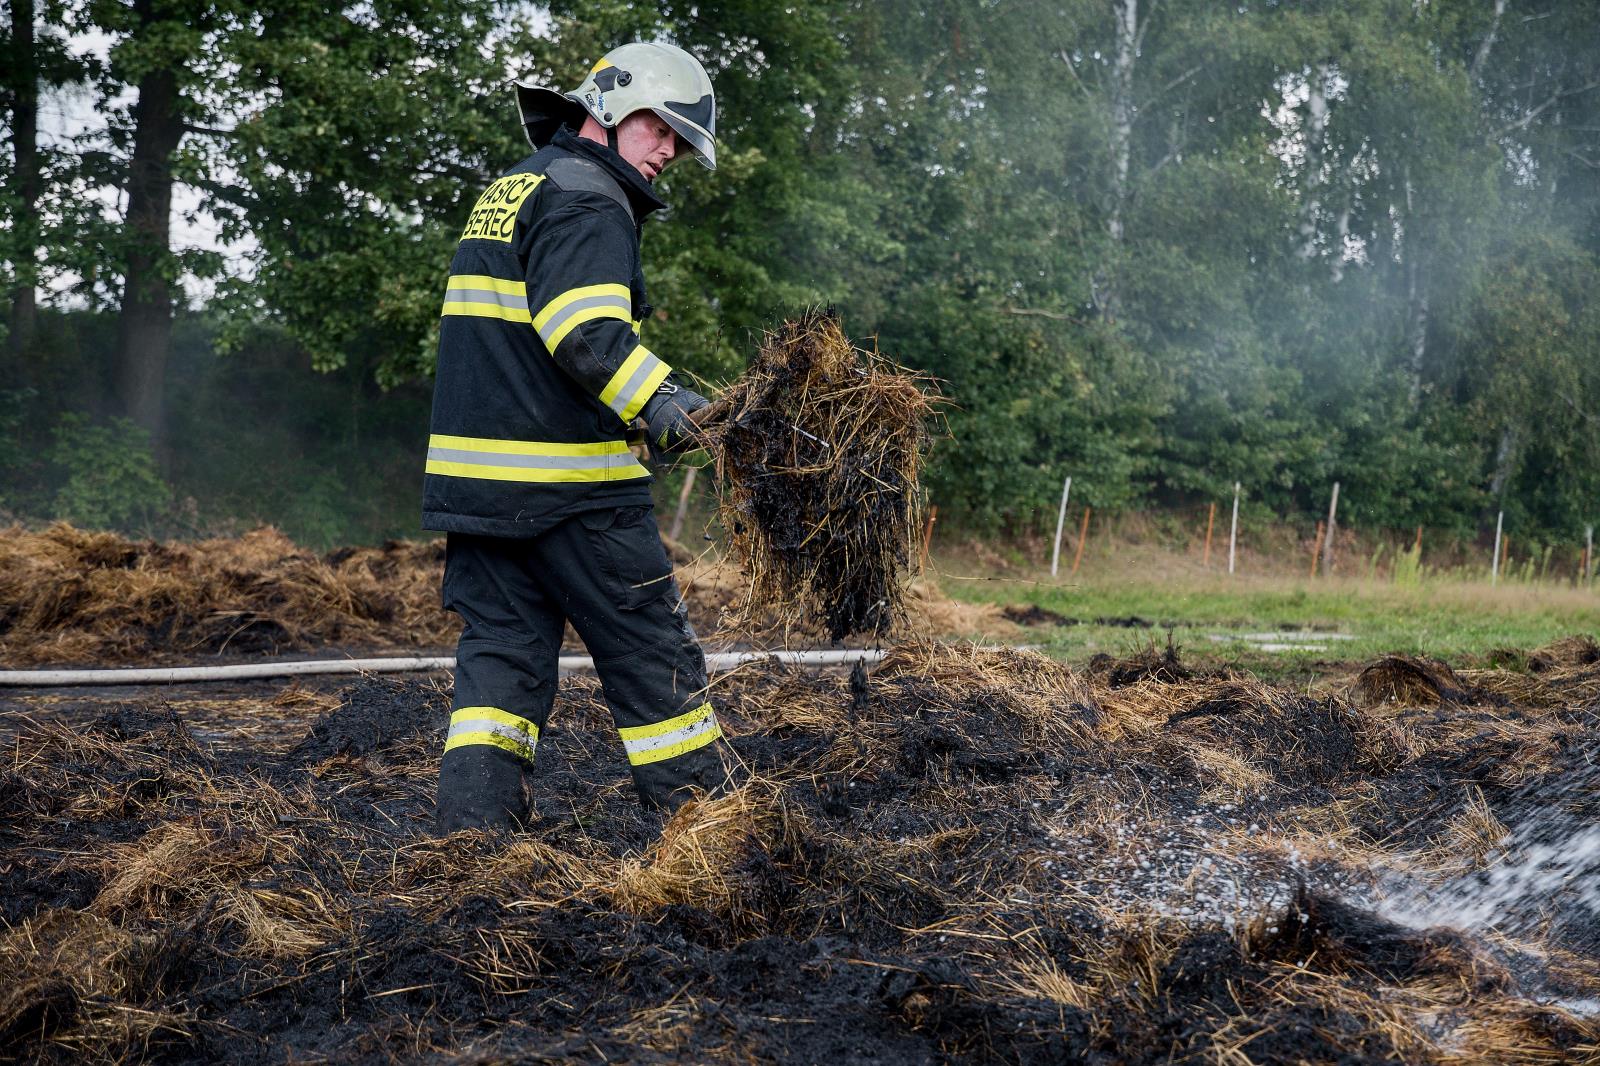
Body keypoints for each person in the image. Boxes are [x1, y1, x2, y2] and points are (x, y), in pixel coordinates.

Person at [423, 42, 732, 833]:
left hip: (480, 492)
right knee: (651, 657)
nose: (669, 153)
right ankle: (707, 835)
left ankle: (470, 846)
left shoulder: (515, 188)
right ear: (609, 105)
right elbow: (585, 333)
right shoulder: (591, 199)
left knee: (501, 664)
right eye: (662, 129)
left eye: (679, 143)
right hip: (572, 490)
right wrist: (668, 406)